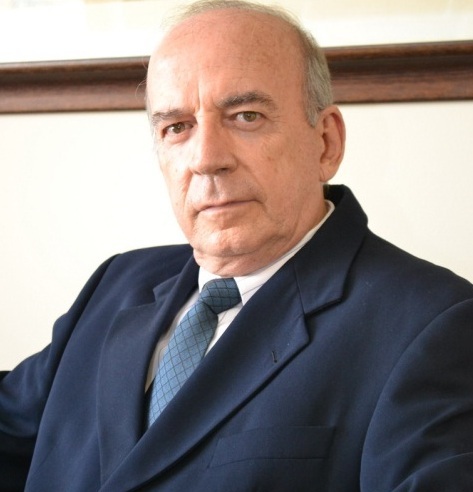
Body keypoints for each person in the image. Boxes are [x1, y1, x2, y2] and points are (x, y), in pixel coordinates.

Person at [1, 0, 473, 490]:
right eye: (177, 127)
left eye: (246, 116)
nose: (206, 159)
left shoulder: (434, 325)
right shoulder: (115, 284)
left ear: (326, 143)